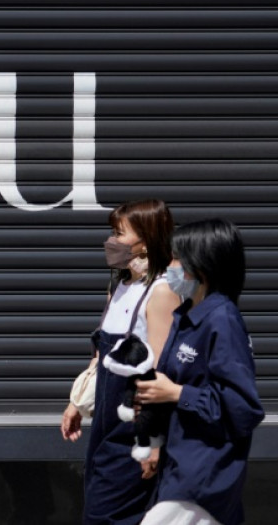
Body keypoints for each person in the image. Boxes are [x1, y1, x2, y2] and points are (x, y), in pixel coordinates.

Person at [60, 199, 181, 524]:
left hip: (132, 426)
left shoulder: (161, 291)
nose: (111, 241)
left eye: (119, 233)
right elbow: (102, 356)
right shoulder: (120, 285)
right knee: (100, 507)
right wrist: (78, 402)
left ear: (146, 239)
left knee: (108, 514)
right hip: (105, 422)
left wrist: (150, 443)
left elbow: (157, 371)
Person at [136, 218, 264, 525]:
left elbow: (243, 408)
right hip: (177, 467)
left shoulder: (222, 320)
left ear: (202, 264)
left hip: (202, 474)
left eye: (177, 258)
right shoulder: (185, 316)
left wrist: (177, 392)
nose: (170, 266)